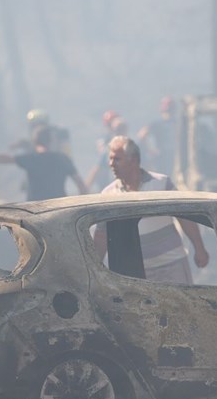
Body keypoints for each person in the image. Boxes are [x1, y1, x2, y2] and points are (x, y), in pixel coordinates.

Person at [92, 136, 209, 285]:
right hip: (135, 274)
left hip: (171, 265)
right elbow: (102, 235)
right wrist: (95, 270)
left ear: (133, 160)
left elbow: (184, 217)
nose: (111, 164)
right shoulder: (108, 195)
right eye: (110, 159)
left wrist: (199, 248)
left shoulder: (161, 183)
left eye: (117, 159)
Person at [0, 125, 87, 201]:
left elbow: (4, 158)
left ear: (34, 141)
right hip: (59, 208)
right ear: (51, 140)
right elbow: (80, 184)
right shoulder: (63, 158)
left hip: (35, 211)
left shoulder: (31, 158)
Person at [85, 112, 127, 191]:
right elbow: (97, 169)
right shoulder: (108, 146)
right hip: (111, 186)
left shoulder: (132, 146)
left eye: (122, 129)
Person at [137, 95, 177, 176]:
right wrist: (150, 150)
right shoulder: (157, 124)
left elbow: (142, 135)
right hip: (164, 157)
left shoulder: (178, 123)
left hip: (171, 156)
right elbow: (142, 135)